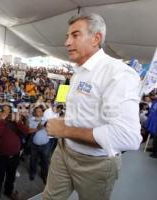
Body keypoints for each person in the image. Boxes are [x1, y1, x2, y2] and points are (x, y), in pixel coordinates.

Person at [43, 13, 142, 200]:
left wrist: (65, 129)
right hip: (64, 150)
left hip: (96, 163)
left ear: (96, 38)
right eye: (67, 36)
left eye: (75, 35)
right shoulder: (77, 73)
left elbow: (128, 137)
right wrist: (67, 122)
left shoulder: (118, 74)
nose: (67, 43)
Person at [0, 105, 30, 200]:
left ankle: (8, 192)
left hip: (15, 156)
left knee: (11, 177)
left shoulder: (16, 122)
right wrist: (2, 120)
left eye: (9, 111)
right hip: (1, 157)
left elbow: (26, 131)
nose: (7, 113)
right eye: (4, 111)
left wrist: (17, 121)